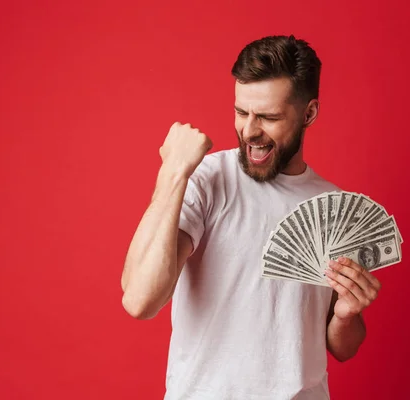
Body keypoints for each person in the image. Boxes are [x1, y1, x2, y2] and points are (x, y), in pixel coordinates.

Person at [121, 34, 383, 400]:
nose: (250, 131)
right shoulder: (209, 178)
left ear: (309, 113)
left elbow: (343, 348)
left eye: (269, 117)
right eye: (241, 112)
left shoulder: (332, 207)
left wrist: (346, 314)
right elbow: (140, 299)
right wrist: (174, 173)